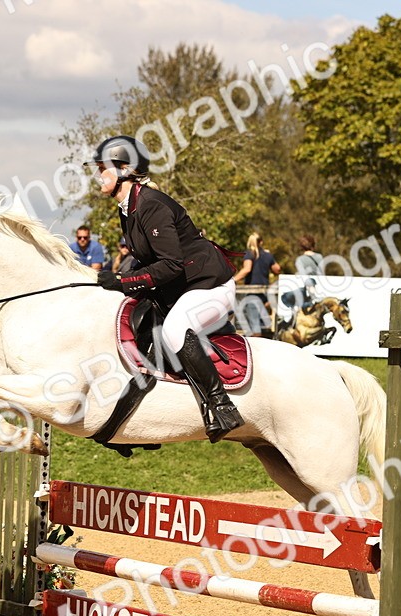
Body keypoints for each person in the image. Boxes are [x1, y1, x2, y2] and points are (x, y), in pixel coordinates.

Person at [87, 134, 244, 442]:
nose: (97, 176)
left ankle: (222, 406)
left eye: (103, 168)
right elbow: (147, 260)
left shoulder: (151, 205)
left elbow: (171, 265)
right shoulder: (128, 208)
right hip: (183, 287)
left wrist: (122, 281)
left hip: (210, 285)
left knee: (174, 330)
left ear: (124, 170)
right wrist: (118, 282)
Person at [234, 233, 280, 335]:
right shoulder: (268, 255)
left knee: (254, 327)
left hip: (252, 294)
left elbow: (247, 269)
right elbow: (277, 269)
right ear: (261, 242)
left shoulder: (249, 254)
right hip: (264, 295)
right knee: (260, 323)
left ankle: (256, 342)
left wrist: (232, 280)